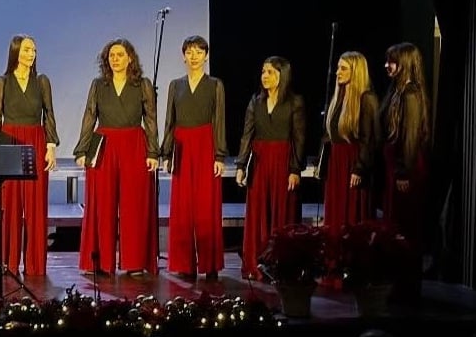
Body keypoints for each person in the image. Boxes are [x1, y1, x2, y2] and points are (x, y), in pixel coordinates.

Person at [75, 38, 159, 276]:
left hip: (134, 144)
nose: (115, 59)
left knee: (134, 204)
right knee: (102, 204)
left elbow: (150, 119)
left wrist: (153, 151)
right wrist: (82, 150)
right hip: (105, 145)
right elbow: (90, 116)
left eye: (120, 55)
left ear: (130, 58)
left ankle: (135, 262)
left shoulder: (142, 84)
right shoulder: (99, 85)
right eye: (111, 55)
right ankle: (101, 261)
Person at [0, 34, 59, 276]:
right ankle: (9, 262)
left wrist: (51, 146)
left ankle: (35, 265)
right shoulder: (2, 82)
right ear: (15, 52)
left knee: (36, 206)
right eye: (27, 49)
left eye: (34, 50)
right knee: (11, 204)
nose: (32, 54)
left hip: (36, 141)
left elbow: (49, 114)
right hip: (10, 141)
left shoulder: (42, 81)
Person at [160, 35, 227, 280]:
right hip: (182, 146)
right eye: (189, 52)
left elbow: (219, 120)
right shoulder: (175, 85)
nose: (194, 56)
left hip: (206, 144)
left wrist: (219, 155)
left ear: (206, 56)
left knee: (206, 206)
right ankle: (185, 265)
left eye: (199, 52)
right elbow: (170, 121)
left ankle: (210, 264)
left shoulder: (215, 85)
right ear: (183, 56)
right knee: (183, 206)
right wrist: (167, 153)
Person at [234, 56, 305, 280]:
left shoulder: (294, 102)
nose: (264, 76)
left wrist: (295, 169)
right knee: (258, 212)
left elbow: (299, 138)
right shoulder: (256, 102)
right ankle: (257, 264)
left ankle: (282, 265)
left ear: (282, 75)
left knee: (282, 211)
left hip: (283, 162)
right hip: (261, 162)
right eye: (263, 72)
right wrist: (241, 165)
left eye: (270, 72)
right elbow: (247, 135)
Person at [380, 42, 431, 304]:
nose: (387, 66)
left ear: (406, 63)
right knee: (396, 227)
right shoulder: (397, 90)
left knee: (406, 228)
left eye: (392, 61)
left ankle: (406, 288)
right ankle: (398, 284)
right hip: (396, 166)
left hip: (406, 168)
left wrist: (402, 171)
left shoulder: (410, 94)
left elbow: (410, 136)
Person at [321, 51, 380, 241]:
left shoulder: (367, 98)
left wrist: (359, 168)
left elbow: (368, 138)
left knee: (351, 215)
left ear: (356, 71)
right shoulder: (338, 97)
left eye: (343, 68)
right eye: (338, 67)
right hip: (336, 163)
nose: (338, 72)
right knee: (336, 214)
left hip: (353, 163)